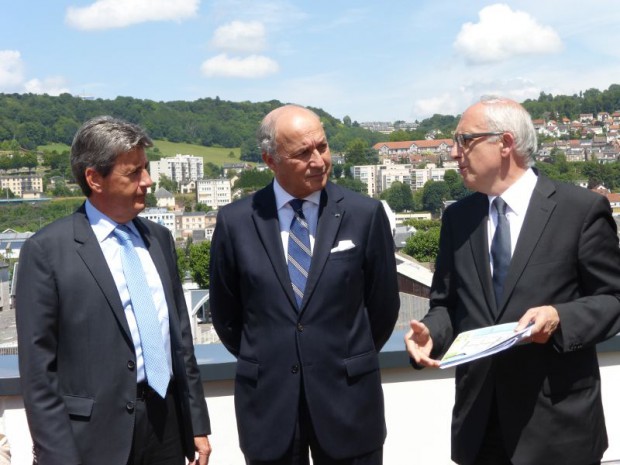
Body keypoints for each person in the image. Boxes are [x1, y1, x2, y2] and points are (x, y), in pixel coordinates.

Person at [405, 96, 620, 465]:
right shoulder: (459, 218)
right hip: (480, 426)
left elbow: (613, 300)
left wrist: (559, 317)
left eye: (464, 141)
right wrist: (430, 333)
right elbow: (448, 304)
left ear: (504, 144)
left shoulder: (580, 210)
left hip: (558, 427)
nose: (455, 154)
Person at [209, 104, 400, 465]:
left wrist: (342, 358)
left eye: (322, 147)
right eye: (302, 153)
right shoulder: (235, 222)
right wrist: (274, 359)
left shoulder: (364, 214)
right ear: (270, 160)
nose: (318, 161)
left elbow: (383, 307)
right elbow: (227, 315)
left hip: (350, 407)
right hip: (270, 410)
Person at [15, 116, 211, 465]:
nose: (148, 182)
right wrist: (57, 456)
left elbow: (181, 340)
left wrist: (196, 423)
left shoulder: (159, 239)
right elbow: (38, 372)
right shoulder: (46, 251)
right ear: (94, 178)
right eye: (133, 172)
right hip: (91, 441)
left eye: (146, 169)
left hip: (166, 429)